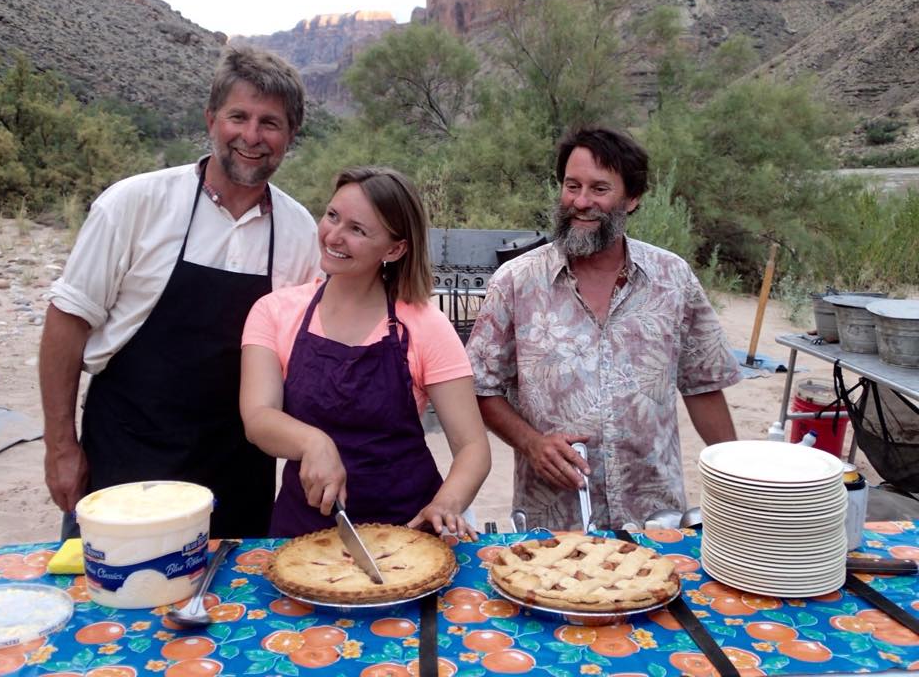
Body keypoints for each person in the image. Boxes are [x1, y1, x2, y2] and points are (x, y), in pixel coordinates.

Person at [39, 46, 321, 538]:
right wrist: (60, 446)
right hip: (124, 461)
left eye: (270, 123)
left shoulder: (301, 232)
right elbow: (67, 322)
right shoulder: (134, 204)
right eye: (238, 117)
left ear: (291, 135)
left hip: (239, 474)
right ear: (211, 119)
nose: (252, 136)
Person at [466, 125, 741, 531]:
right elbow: (479, 387)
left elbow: (703, 386)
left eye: (599, 189)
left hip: (655, 520)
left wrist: (741, 478)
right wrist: (531, 443)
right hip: (554, 523)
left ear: (632, 198)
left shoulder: (672, 278)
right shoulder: (516, 282)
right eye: (572, 186)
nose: (581, 202)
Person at [240, 166, 491, 538]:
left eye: (357, 230)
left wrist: (446, 504)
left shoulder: (426, 325)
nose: (334, 236)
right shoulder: (274, 312)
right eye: (332, 216)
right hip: (303, 531)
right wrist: (313, 442)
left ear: (394, 249)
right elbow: (258, 417)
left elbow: (473, 447)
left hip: (408, 531)